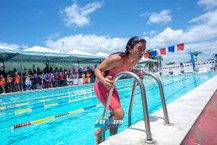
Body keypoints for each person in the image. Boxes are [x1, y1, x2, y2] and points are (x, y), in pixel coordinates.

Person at [94, 36, 146, 144]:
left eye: (144, 49)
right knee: (119, 113)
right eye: (140, 48)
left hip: (112, 86)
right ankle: (99, 131)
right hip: (102, 84)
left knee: (115, 115)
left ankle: (113, 139)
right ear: (129, 49)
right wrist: (103, 80)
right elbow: (97, 69)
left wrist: (137, 74)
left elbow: (128, 69)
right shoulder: (117, 59)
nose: (142, 52)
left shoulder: (135, 60)